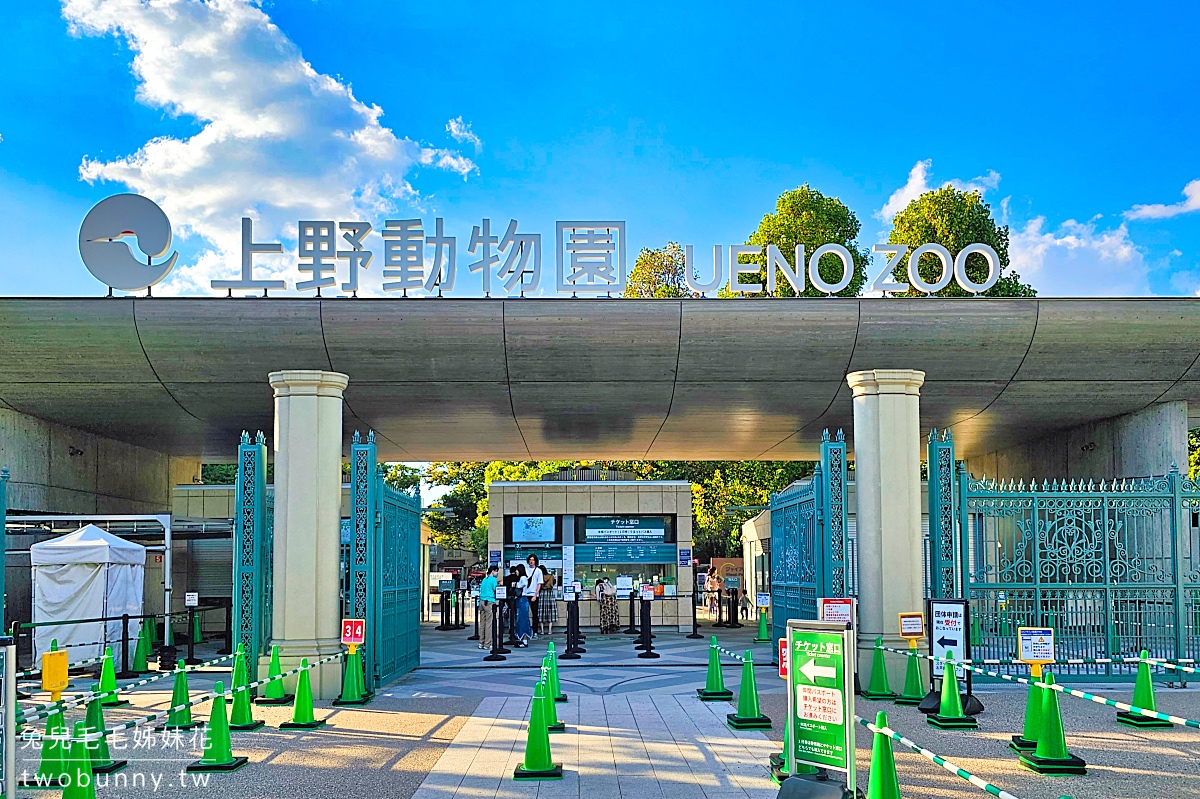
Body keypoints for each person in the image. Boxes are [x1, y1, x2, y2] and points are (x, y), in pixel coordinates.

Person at [517, 554, 543, 646]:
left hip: (533, 594)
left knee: (535, 613)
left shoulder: (538, 571)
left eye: (533, 560)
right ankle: (525, 633)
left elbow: (539, 584)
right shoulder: (526, 570)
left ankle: (535, 631)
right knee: (524, 614)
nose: (531, 561)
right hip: (525, 594)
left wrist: (535, 595)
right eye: (530, 560)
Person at [478, 565, 499, 651]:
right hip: (489, 602)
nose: (497, 573)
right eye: (496, 571)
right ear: (493, 571)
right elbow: (496, 589)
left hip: (482, 601)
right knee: (489, 624)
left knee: (482, 623)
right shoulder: (493, 580)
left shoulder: (484, 579)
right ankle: (487, 644)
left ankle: (481, 643)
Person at [504, 565, 523, 640]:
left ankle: (510, 629)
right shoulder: (518, 578)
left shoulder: (506, 578)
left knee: (510, 614)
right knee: (515, 614)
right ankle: (515, 630)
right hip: (516, 598)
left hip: (508, 598)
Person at [538, 564, 557, 636]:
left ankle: (542, 630)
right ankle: (549, 630)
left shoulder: (540, 577)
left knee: (541, 612)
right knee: (550, 612)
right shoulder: (551, 576)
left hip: (542, 594)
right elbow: (553, 583)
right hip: (550, 594)